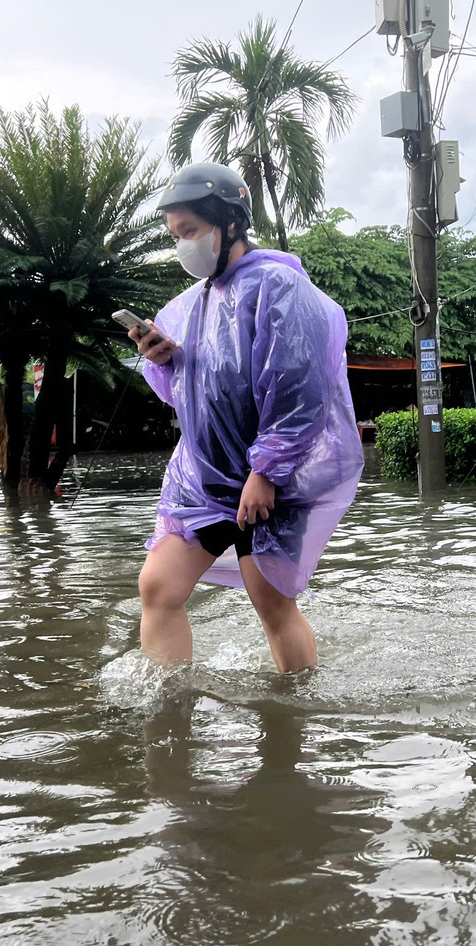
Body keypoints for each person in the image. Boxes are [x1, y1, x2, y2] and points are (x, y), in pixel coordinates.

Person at [127, 162, 364, 672]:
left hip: (269, 483)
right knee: (158, 586)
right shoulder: (190, 306)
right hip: (202, 482)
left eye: (189, 231)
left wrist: (267, 471)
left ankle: (294, 711)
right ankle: (170, 709)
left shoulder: (278, 286)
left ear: (229, 223)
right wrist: (165, 360)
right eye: (175, 236)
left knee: (272, 603)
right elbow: (192, 393)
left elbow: (300, 389)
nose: (182, 245)